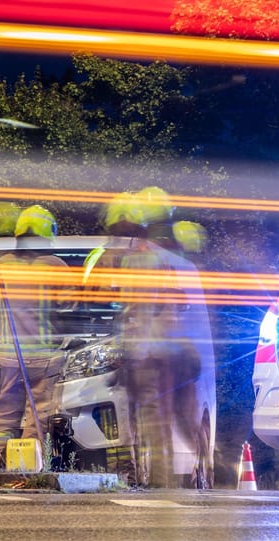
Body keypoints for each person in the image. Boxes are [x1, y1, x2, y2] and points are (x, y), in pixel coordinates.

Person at [107, 188, 212, 487]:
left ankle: (161, 484)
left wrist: (131, 349)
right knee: (171, 418)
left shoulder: (142, 259)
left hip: (151, 352)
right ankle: (195, 472)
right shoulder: (176, 260)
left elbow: (138, 308)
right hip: (176, 350)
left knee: (154, 419)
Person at [0, 205, 69, 468]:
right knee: (37, 416)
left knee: (3, 415)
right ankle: (28, 467)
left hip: (9, 355)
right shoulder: (56, 266)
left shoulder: (2, 265)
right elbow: (69, 308)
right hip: (44, 357)